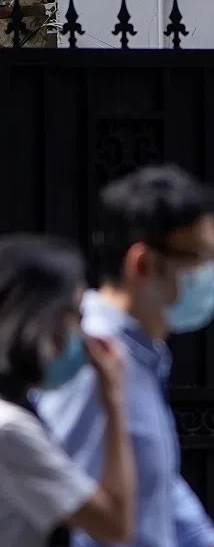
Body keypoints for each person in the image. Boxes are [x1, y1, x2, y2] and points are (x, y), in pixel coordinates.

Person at [37, 165, 214, 547]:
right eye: (201, 259)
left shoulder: (142, 354)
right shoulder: (90, 361)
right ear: (143, 263)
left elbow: (156, 486)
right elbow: (76, 513)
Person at [0, 234, 136, 547]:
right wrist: (114, 401)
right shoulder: (11, 430)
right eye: (73, 315)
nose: (81, 333)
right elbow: (114, 524)